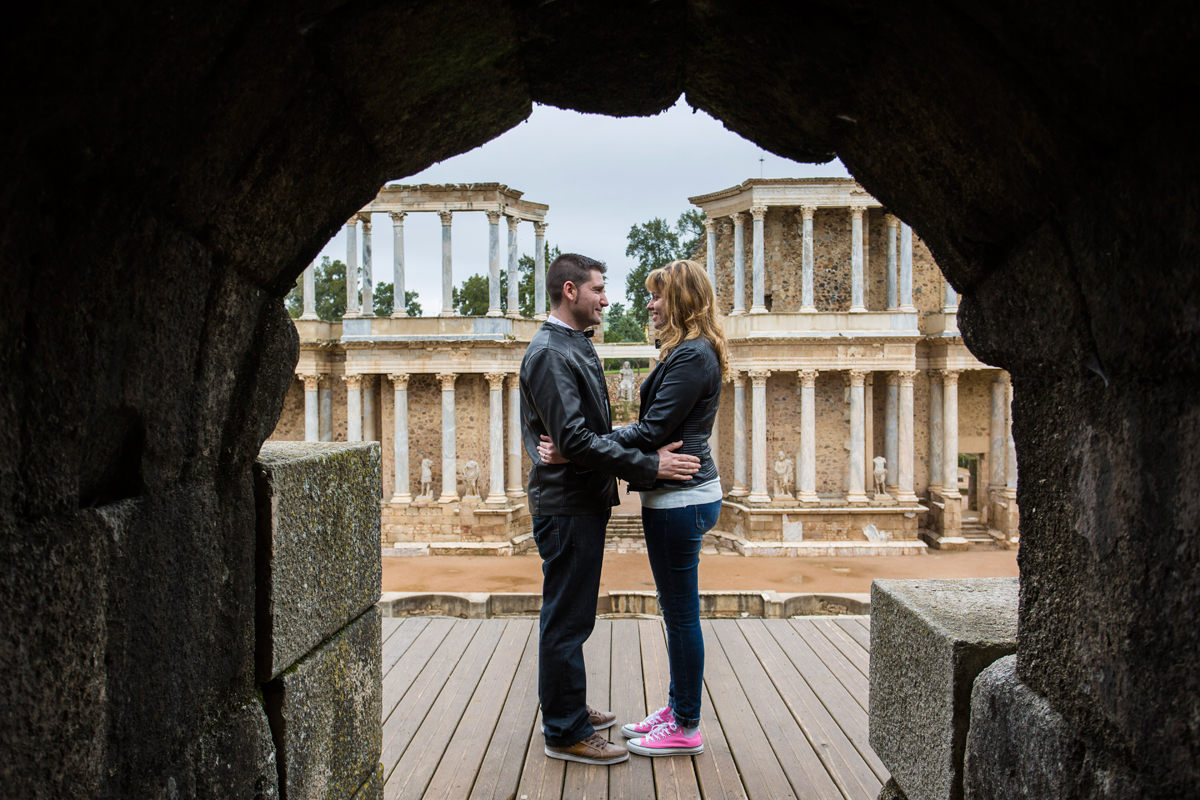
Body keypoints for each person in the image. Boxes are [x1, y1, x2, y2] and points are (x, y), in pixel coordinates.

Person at [539, 259, 729, 758]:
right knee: (673, 610)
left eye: (658, 295)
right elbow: (652, 433)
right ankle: (677, 708)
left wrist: (577, 446)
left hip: (681, 496)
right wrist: (582, 445)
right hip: (673, 494)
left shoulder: (692, 356)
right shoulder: (685, 352)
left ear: (683, 299)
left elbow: (650, 431)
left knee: (681, 614)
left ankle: (686, 722)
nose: (649, 303)